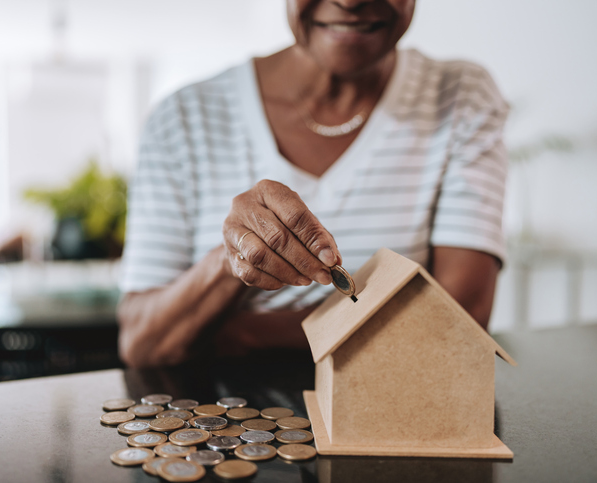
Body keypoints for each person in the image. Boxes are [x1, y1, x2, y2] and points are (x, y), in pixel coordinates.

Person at [117, 0, 509, 368]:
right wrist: (232, 260)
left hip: (390, 417)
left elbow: (460, 320)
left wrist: (243, 333)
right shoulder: (183, 118)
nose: (351, 2)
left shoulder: (460, 98)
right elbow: (144, 343)